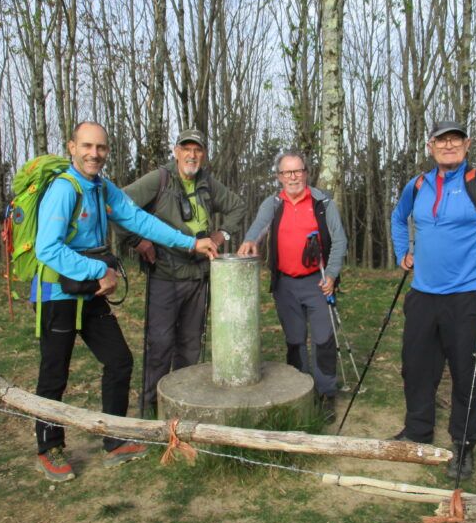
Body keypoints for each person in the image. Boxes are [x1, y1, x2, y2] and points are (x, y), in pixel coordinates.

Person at [32, 121, 218, 482]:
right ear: (72, 147)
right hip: (57, 294)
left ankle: (114, 440)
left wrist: (191, 243)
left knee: (119, 361)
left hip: (90, 291)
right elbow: (47, 248)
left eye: (101, 147)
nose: (94, 154)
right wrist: (98, 270)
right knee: (54, 373)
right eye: (87, 146)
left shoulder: (102, 188)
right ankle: (49, 447)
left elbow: (139, 220)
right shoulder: (64, 189)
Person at [390, 120, 476, 480]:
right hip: (422, 294)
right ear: (430, 146)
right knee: (416, 368)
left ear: (467, 145)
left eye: (455, 140)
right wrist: (403, 251)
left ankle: (464, 445)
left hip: (466, 297)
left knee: (466, 375)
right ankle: (417, 433)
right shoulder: (417, 185)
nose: (448, 146)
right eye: (441, 141)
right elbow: (398, 218)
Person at [121, 129, 245, 417]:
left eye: (197, 150)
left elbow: (238, 207)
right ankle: (150, 409)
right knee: (160, 344)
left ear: (204, 155)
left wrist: (221, 235)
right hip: (165, 274)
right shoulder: (159, 180)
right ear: (176, 152)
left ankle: (182, 407)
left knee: (190, 346)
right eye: (186, 149)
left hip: (199, 276)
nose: (192, 155)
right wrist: (137, 241)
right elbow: (118, 206)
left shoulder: (207, 183)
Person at [237, 150, 347, 423]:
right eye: (287, 172)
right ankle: (300, 392)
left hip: (318, 282)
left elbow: (340, 240)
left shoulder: (323, 202)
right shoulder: (273, 203)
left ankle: (325, 394)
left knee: (323, 340)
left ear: (306, 173)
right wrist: (250, 241)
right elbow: (258, 227)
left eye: (298, 171)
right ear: (279, 177)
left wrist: (332, 275)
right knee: (295, 341)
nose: (293, 177)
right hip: (285, 285)